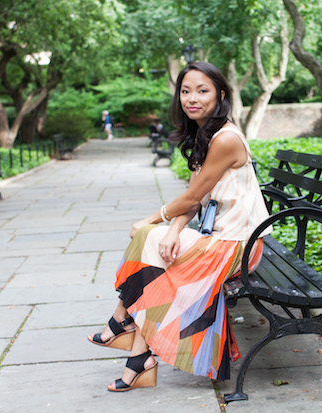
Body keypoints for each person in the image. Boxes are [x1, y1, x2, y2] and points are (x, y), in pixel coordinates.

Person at [87, 61, 271, 392]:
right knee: (159, 250)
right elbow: (195, 199)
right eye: (186, 91)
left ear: (221, 95)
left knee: (148, 237)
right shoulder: (207, 135)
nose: (192, 98)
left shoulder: (226, 139)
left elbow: (191, 197)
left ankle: (123, 321)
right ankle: (137, 358)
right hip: (220, 238)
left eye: (202, 90)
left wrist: (153, 218)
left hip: (241, 244)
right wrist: (172, 230)